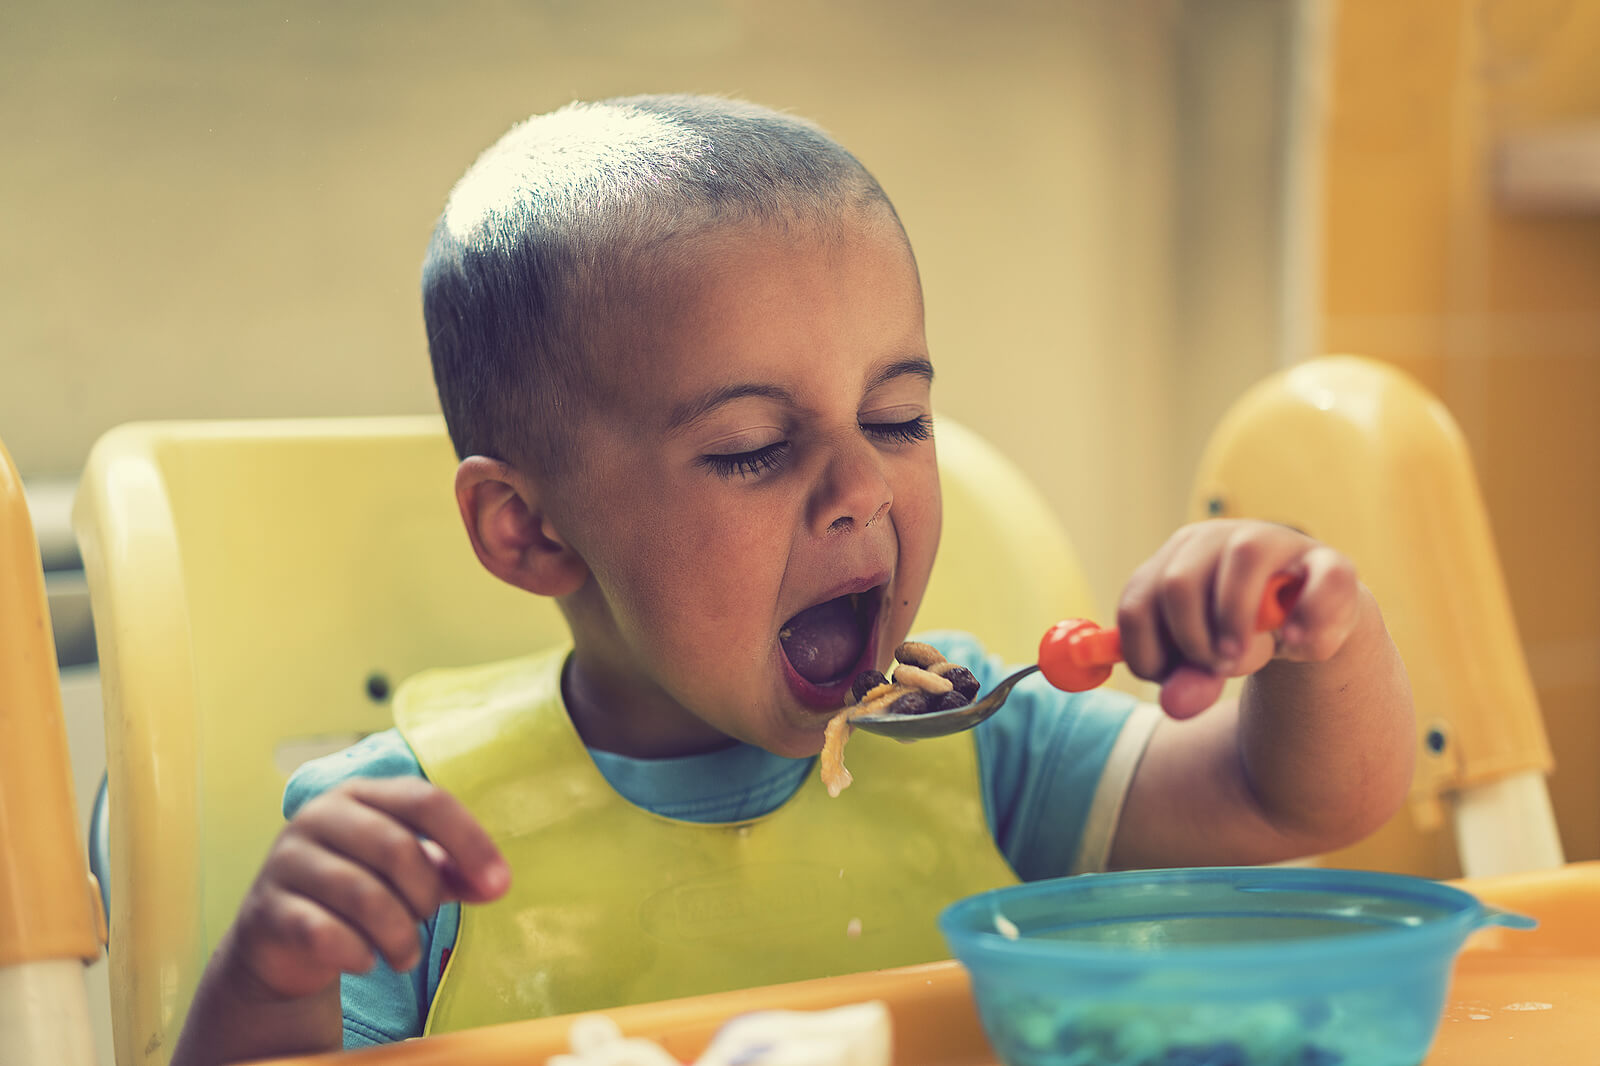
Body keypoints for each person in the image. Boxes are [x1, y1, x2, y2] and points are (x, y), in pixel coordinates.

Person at [170, 94, 1414, 1065]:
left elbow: (1295, 797)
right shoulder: (410, 833)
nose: (860, 489)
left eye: (898, 417)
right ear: (530, 531)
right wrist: (267, 985)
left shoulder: (982, 742)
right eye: (753, 450)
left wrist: (1311, 624)